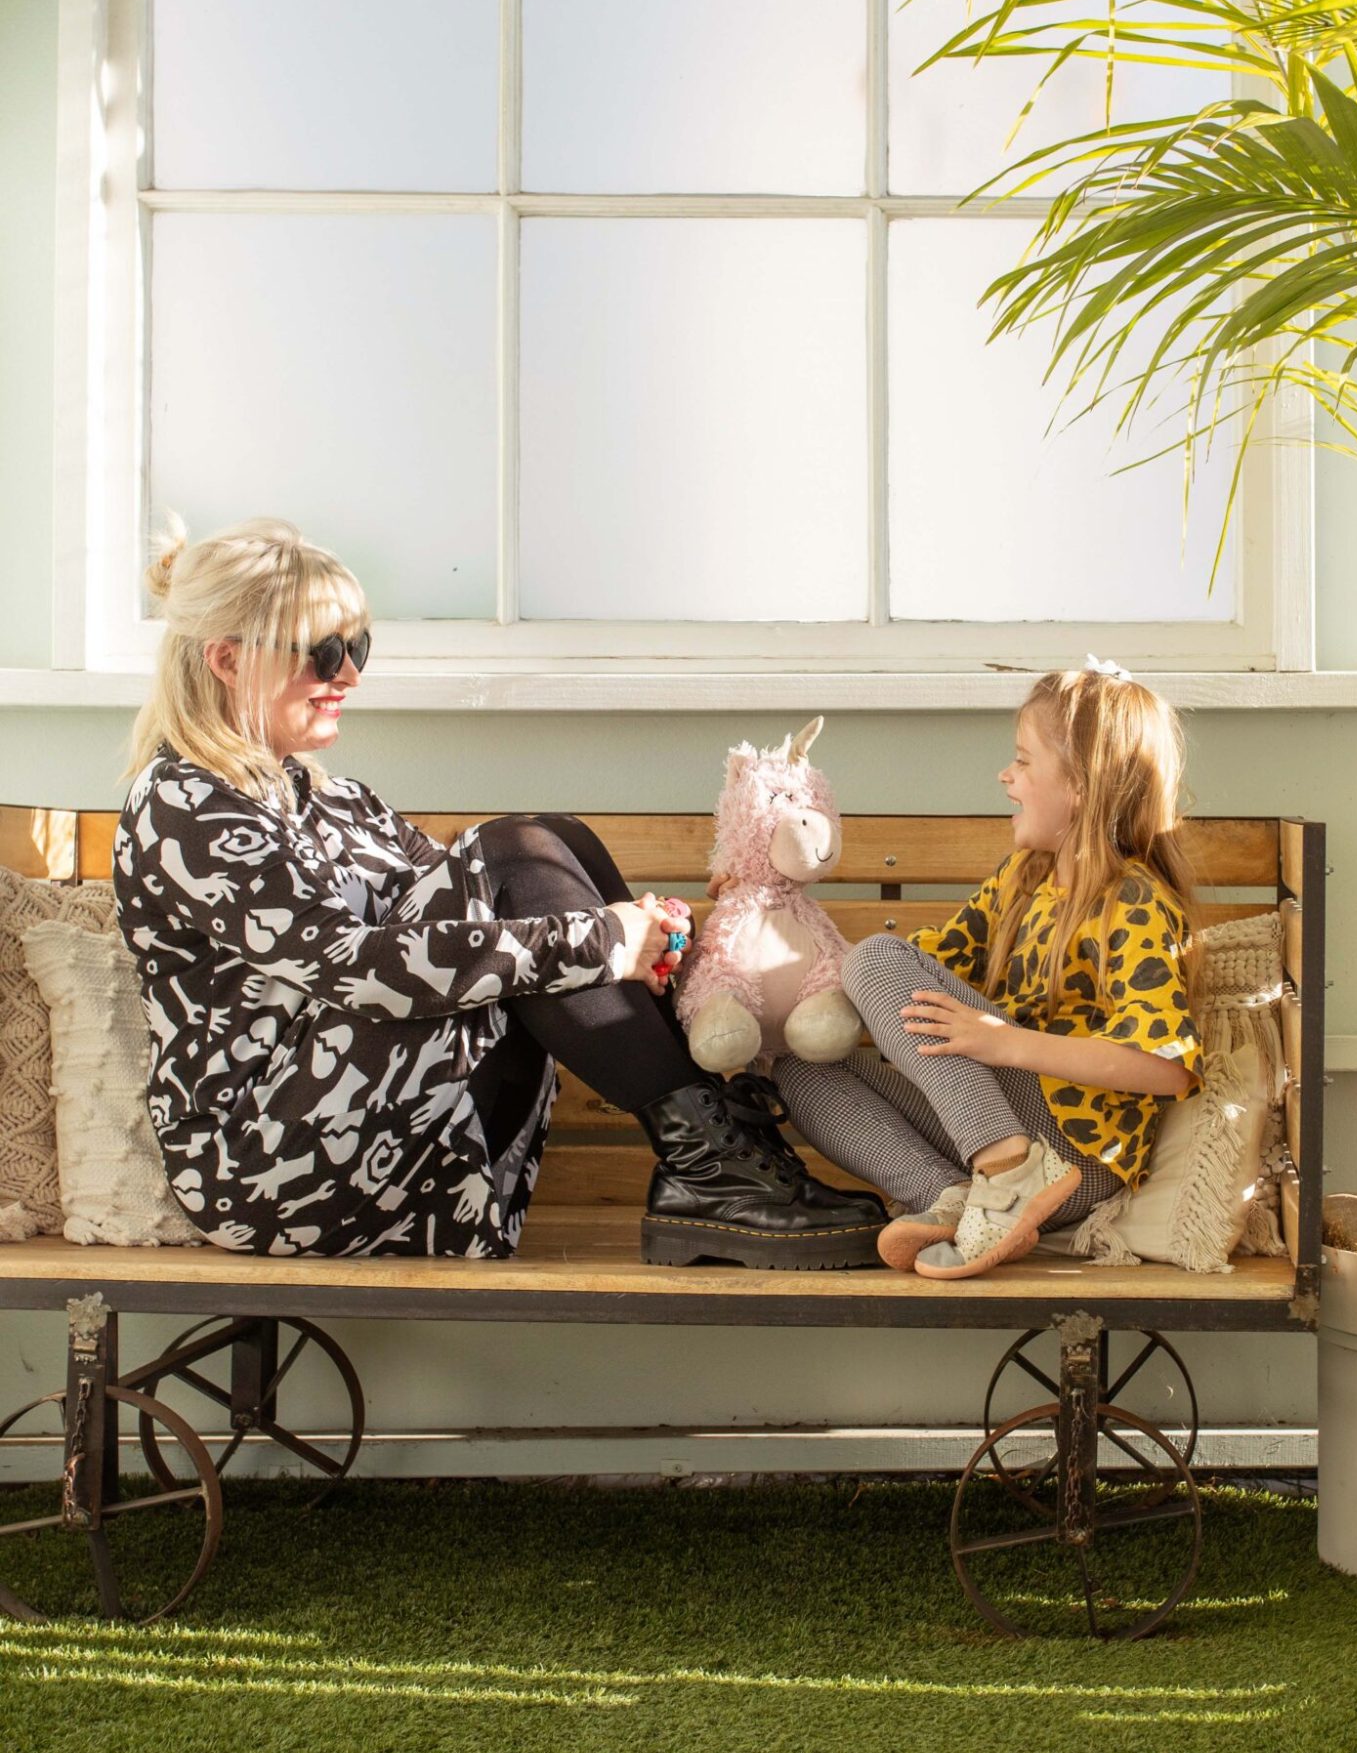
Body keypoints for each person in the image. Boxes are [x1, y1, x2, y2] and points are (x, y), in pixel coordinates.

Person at [111, 515, 884, 1268]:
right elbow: (358, 966)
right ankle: (717, 1171)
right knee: (510, 853)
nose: (347, 674)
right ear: (226, 660)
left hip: (399, 1135)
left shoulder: (332, 799)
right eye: (323, 653)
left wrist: (640, 937)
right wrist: (600, 942)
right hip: (273, 1169)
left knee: (547, 838)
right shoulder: (185, 806)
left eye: (357, 647)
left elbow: (478, 907)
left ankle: (716, 1168)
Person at [772, 665, 1204, 1279]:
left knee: (872, 956)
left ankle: (1008, 1172)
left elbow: (1166, 1067)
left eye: (1024, 762)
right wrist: (765, 923)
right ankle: (954, 1200)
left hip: (1076, 1155)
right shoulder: (1023, 878)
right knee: (802, 1069)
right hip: (996, 1124)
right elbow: (922, 969)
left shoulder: (1132, 902)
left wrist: (1006, 1044)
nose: (1006, 774)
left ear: (1081, 783)